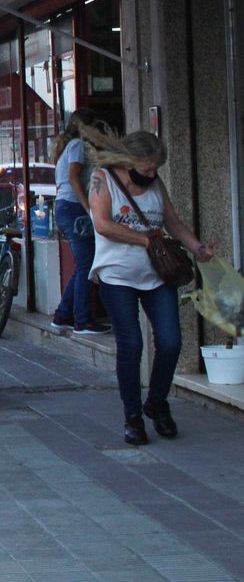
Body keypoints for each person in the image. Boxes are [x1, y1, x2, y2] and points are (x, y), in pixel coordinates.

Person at [86, 129, 214, 445]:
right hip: (117, 277)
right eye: (147, 168)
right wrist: (145, 239)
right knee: (131, 346)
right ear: (129, 160)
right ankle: (132, 418)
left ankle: (156, 402)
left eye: (156, 168)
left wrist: (198, 248)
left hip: (157, 276)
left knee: (170, 342)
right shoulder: (103, 180)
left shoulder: (155, 184)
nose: (152, 173)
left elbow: (171, 221)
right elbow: (102, 224)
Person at [50, 109, 108, 336]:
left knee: (84, 263)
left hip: (66, 207)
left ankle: (63, 315)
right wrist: (88, 207)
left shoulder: (68, 146)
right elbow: (74, 178)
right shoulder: (76, 146)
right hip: (74, 208)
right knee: (87, 265)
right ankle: (82, 321)